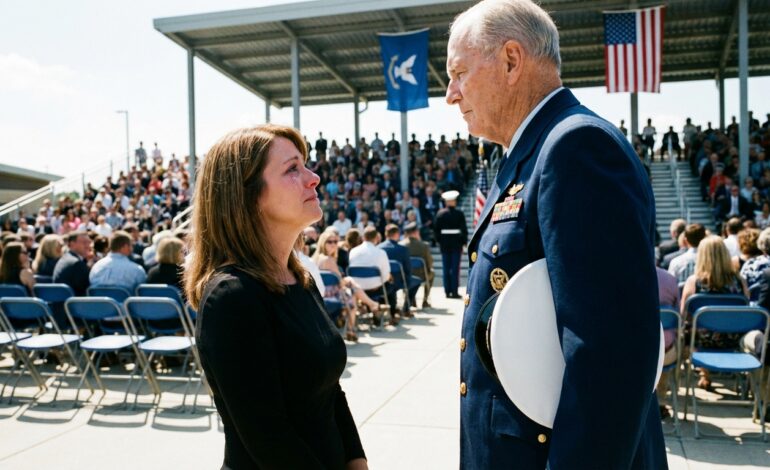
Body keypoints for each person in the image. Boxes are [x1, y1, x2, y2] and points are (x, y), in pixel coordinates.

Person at [445, 1, 666, 468]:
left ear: (510, 60)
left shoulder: (574, 147)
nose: (451, 93)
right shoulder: (530, 153)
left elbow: (610, 358)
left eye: (460, 73)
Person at [184, 125, 366, 469]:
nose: (313, 178)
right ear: (249, 196)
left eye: (306, 165)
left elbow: (330, 394)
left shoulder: (302, 280)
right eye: (292, 168)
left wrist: (357, 462)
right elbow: (269, 439)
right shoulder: (231, 298)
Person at [680, 235, 750, 389]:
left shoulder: (694, 282)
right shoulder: (740, 281)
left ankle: (703, 374)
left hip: (700, 342)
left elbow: (683, 315)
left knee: (693, 329)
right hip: (733, 339)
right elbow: (746, 310)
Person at [313, 229, 385, 342]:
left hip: (321, 293)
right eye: (330, 242)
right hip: (329, 294)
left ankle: (369, 308)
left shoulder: (315, 258)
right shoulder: (328, 260)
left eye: (335, 242)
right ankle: (354, 326)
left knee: (351, 287)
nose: (333, 244)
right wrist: (346, 280)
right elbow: (340, 282)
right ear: (323, 243)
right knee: (352, 295)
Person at [349, 226, 399, 326]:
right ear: (376, 238)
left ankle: (374, 309)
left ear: (363, 237)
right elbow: (385, 276)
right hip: (375, 288)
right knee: (392, 284)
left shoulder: (353, 251)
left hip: (358, 289)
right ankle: (391, 314)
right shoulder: (381, 253)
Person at [378, 224, 420, 316]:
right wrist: (407, 281)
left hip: (382, 281)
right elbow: (408, 269)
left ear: (386, 234)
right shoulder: (403, 249)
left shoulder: (378, 248)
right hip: (399, 281)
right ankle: (406, 308)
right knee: (417, 281)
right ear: (397, 234)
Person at [433, 190, 467, 299]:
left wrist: (439, 241)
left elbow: (436, 230)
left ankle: (447, 291)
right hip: (456, 244)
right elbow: (464, 230)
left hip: (444, 244)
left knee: (446, 268)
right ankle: (454, 291)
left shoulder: (440, 213)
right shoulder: (459, 213)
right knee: (455, 269)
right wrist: (464, 242)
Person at [400, 221, 434, 308]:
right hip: (421, 275)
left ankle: (411, 299)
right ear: (416, 232)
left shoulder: (401, 245)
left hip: (405, 275)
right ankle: (425, 300)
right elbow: (429, 263)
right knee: (432, 273)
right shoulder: (424, 245)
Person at [52, 231, 92, 296]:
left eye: (89, 242)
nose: (88, 246)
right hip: (73, 304)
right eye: (84, 242)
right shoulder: (76, 263)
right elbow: (89, 287)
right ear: (72, 244)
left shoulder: (66, 258)